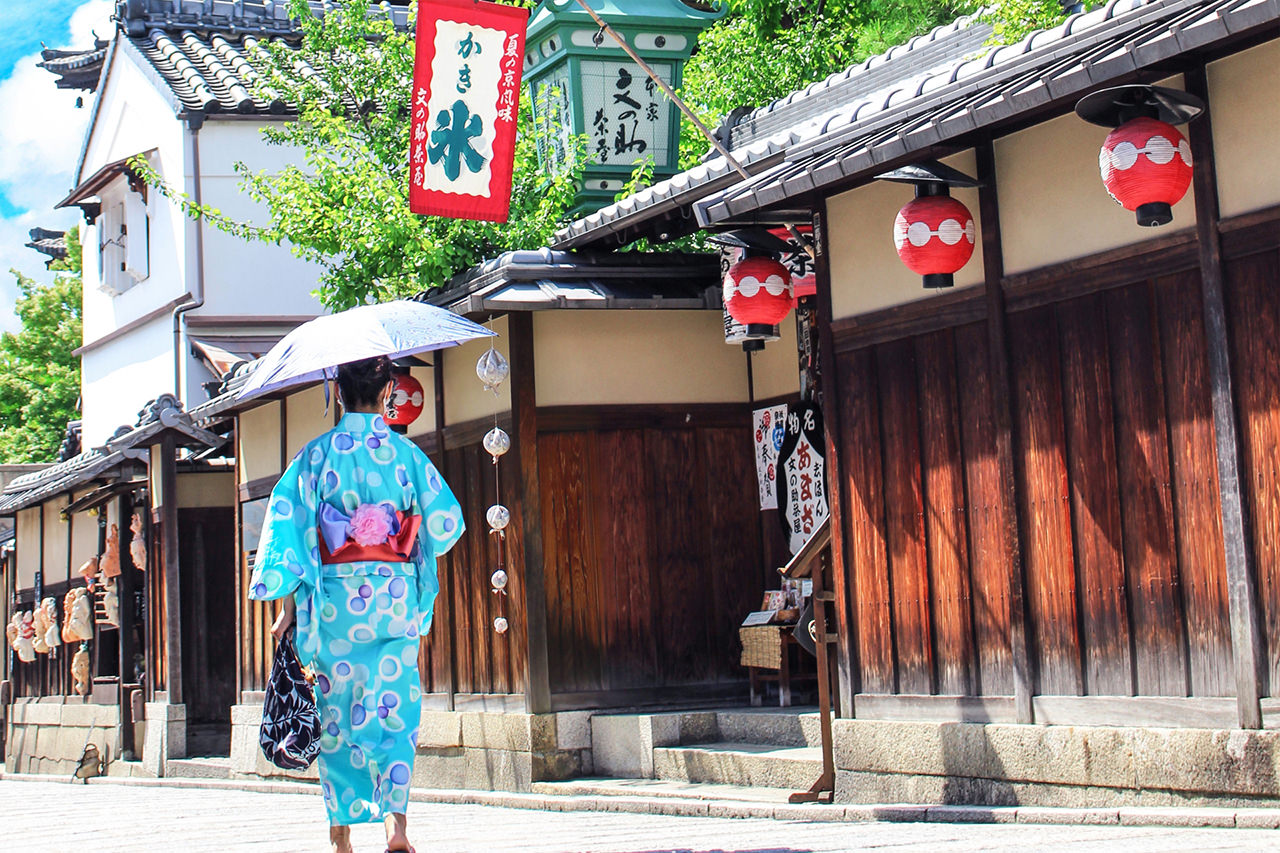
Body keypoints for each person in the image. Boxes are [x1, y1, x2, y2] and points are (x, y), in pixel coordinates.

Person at [248, 355, 464, 853]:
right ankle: (397, 827)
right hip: (393, 598)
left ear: (337, 392)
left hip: (334, 606)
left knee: (337, 715)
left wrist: (287, 608)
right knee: (396, 711)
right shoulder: (407, 456)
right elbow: (444, 523)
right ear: (388, 391)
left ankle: (341, 837)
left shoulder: (316, 455)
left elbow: (291, 527)